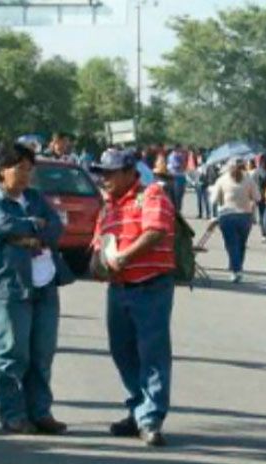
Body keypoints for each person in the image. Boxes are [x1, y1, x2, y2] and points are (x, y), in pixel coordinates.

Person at [0, 143, 73, 434]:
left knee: (42, 355)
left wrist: (30, 234)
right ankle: (13, 414)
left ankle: (40, 412)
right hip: (7, 288)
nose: (26, 175)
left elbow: (56, 227)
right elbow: (5, 226)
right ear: (1, 171)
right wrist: (31, 227)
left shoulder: (36, 198)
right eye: (19, 168)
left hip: (44, 285)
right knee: (13, 355)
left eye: (30, 169)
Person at [90, 149, 176, 447]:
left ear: (130, 172)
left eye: (110, 173)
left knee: (152, 354)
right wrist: (97, 265)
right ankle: (138, 408)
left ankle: (151, 418)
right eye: (101, 173)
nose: (104, 179)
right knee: (122, 352)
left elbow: (156, 231)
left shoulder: (151, 195)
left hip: (150, 287)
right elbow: (99, 245)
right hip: (118, 289)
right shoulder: (107, 207)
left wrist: (124, 257)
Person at [211, 158, 260, 283]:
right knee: (241, 244)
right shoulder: (249, 180)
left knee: (231, 244)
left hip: (226, 216)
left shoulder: (222, 180)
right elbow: (257, 197)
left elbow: (213, 200)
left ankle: (235, 269)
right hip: (245, 217)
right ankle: (237, 266)